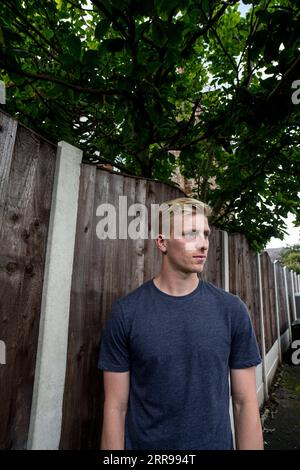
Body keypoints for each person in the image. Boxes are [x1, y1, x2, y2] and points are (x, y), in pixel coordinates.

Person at [98, 197, 264, 450]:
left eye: (206, 234)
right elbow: (115, 407)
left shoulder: (231, 310)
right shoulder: (126, 313)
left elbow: (245, 402)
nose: (203, 244)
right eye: (190, 234)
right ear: (162, 243)